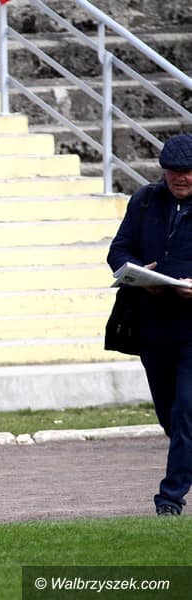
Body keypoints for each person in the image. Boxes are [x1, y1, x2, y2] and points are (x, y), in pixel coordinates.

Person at [107, 133, 192, 517]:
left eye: (187, 172)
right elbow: (118, 250)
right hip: (153, 326)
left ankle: (170, 498)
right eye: (173, 171)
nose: (180, 178)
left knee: (186, 413)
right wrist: (140, 273)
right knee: (169, 416)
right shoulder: (144, 200)